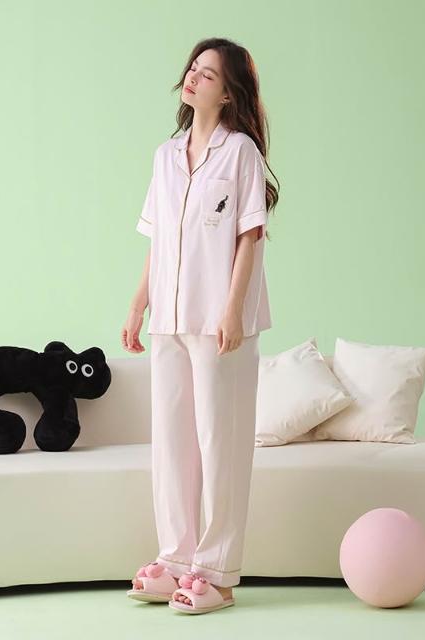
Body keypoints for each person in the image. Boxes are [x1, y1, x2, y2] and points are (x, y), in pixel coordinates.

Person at [122, 37, 280, 614]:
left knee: (221, 444)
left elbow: (250, 237)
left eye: (208, 74)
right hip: (168, 319)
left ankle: (217, 573)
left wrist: (233, 309)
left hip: (220, 323)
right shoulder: (165, 155)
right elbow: (159, 239)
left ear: (228, 92)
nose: (193, 77)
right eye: (193, 68)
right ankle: (176, 559)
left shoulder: (240, 152)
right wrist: (138, 304)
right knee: (172, 445)